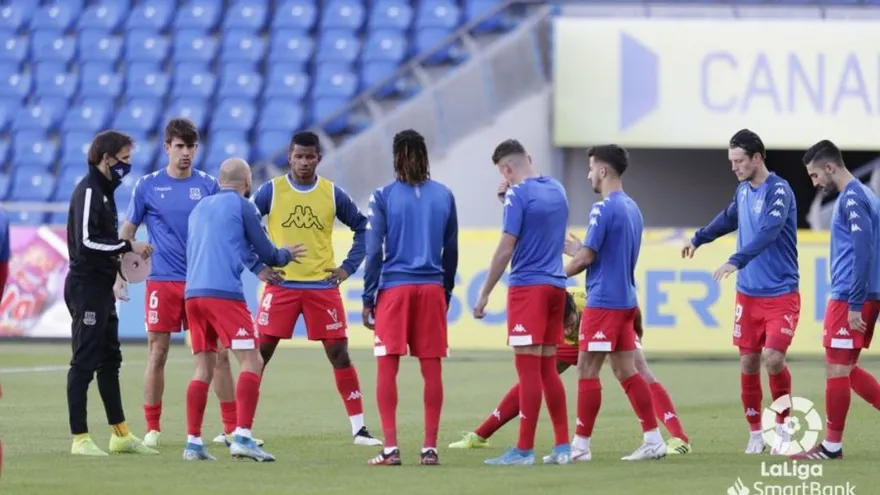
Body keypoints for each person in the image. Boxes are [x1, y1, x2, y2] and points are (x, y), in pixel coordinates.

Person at [450, 189, 692, 455]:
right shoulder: (558, 304)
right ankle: (481, 434)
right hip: (586, 334)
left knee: (637, 371)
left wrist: (637, 330)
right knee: (536, 378)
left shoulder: (587, 298)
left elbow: (627, 306)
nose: (564, 329)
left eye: (567, 323)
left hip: (605, 322)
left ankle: (678, 438)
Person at [118, 119, 267, 449]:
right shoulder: (148, 186)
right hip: (163, 283)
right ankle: (153, 428)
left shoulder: (211, 185)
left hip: (203, 280)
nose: (186, 153)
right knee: (157, 354)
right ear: (167, 147)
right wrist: (122, 268)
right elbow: (127, 231)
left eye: (191, 147)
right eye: (180, 146)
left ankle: (230, 428)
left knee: (220, 356)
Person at [251, 131, 380, 446]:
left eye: (310, 157)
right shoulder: (271, 191)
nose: (304, 162)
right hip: (282, 286)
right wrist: (259, 267)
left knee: (339, 354)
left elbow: (364, 229)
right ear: (289, 158)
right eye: (299, 156)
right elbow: (244, 227)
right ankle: (239, 428)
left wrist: (348, 267)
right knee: (258, 356)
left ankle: (359, 429)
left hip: (322, 286)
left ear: (319, 159)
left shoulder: (333, 194)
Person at [682, 129, 799, 455]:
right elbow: (728, 218)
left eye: (739, 161)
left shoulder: (779, 191)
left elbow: (768, 232)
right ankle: (755, 434)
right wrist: (699, 238)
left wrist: (735, 260)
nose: (733, 167)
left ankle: (784, 427)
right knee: (749, 362)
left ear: (757, 158)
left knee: (773, 359)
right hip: (748, 296)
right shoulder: (743, 190)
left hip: (781, 294)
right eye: (731, 161)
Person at [182, 157, 306, 462]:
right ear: (247, 183)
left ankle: (193, 442)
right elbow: (266, 251)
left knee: (203, 368)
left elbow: (219, 246)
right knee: (253, 361)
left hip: (193, 294)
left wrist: (258, 266)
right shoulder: (243, 206)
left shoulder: (200, 208)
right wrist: (285, 254)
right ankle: (243, 436)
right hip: (224, 295)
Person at [361, 129, 458, 466]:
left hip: (395, 290)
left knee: (388, 368)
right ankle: (429, 448)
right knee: (432, 371)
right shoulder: (445, 195)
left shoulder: (383, 196)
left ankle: (390, 449)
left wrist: (368, 296)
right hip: (431, 288)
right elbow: (452, 251)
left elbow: (374, 251)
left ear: (395, 156)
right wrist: (445, 291)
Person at [563, 145, 665, 461]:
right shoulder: (633, 208)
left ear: (604, 170)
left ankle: (580, 447)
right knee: (625, 369)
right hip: (625, 302)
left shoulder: (603, 208)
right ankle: (653, 439)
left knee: (586, 369)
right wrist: (580, 250)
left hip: (604, 303)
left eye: (591, 168)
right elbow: (602, 253)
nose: (589, 174)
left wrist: (556, 276)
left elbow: (587, 259)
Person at [473, 139, 571, 466]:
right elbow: (547, 232)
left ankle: (524, 449)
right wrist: (507, 201)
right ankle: (562, 446)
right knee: (548, 370)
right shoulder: (557, 189)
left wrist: (485, 291)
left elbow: (506, 248)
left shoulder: (517, 194)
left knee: (528, 370)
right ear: (529, 157)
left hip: (528, 287)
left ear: (505, 169)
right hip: (557, 287)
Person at [65, 130, 156, 456]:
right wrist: (129, 244)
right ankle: (80, 438)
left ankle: (119, 434)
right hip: (86, 287)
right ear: (107, 158)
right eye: (125, 159)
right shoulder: (89, 191)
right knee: (84, 362)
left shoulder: (105, 192)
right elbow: (87, 242)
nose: (127, 166)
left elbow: (101, 245)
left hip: (101, 286)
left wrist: (120, 269)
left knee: (110, 360)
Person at [792, 140, 880, 460]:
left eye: (815, 175)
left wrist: (855, 302)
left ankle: (831, 447)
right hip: (859, 293)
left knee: (838, 370)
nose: (815, 183)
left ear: (830, 167)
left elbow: (863, 249)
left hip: (849, 297)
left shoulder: (854, 198)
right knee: (847, 368)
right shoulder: (863, 195)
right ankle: (831, 446)